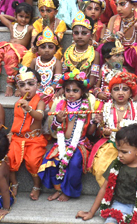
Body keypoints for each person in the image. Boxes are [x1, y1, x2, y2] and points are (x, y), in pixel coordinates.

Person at [77, 124, 137, 224]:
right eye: (118, 151)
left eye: (124, 152)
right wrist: (91, 212)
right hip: (120, 204)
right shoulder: (116, 164)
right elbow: (104, 189)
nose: (119, 155)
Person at [39, 70, 97, 202]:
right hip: (62, 142)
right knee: (52, 161)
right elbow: (53, 128)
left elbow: (90, 132)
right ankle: (58, 189)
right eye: (68, 90)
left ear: (82, 92)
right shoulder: (60, 105)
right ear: (63, 91)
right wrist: (58, 119)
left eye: (75, 91)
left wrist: (95, 122)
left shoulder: (85, 107)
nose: (71, 93)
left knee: (74, 163)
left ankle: (69, 191)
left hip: (79, 143)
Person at [88, 71, 137, 186]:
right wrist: (103, 130)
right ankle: (108, 191)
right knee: (102, 165)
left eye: (125, 89)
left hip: (132, 144)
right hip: (111, 143)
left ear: (131, 93)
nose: (120, 93)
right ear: (110, 92)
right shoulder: (106, 107)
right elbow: (100, 129)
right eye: (116, 89)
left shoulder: (135, 108)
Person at [103, 0, 137, 100]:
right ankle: (103, 87)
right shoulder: (113, 19)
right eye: (117, 5)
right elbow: (104, 41)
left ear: (134, 5)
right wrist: (114, 38)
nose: (118, 8)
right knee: (101, 49)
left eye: (122, 4)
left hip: (131, 54)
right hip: (116, 52)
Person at [7, 67, 47, 200]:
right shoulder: (18, 103)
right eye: (22, 85)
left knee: (33, 161)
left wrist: (29, 108)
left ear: (38, 85)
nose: (27, 88)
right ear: (18, 88)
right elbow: (16, 121)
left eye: (31, 84)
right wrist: (9, 134)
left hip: (34, 139)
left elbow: (39, 117)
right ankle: (14, 183)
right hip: (17, 138)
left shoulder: (40, 102)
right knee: (9, 158)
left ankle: (37, 186)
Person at [0, 2, 33, 96]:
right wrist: (15, 18)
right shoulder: (12, 25)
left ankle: (9, 84)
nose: (23, 19)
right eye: (21, 16)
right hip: (8, 46)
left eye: (27, 17)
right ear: (15, 15)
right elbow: (1, 16)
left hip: (19, 49)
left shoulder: (30, 28)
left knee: (10, 56)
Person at [22, 0, 67, 66]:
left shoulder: (60, 23)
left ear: (56, 12)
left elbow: (57, 42)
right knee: (29, 55)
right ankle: (27, 75)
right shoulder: (37, 23)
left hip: (54, 50)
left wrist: (47, 27)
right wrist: (34, 48)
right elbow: (33, 41)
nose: (45, 14)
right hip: (39, 49)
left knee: (54, 56)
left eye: (49, 11)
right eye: (42, 11)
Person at [63, 11, 100, 86]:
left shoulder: (95, 54)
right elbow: (64, 75)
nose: (79, 36)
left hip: (86, 88)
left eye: (84, 33)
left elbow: (92, 80)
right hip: (69, 89)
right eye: (76, 33)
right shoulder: (68, 52)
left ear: (91, 35)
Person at [29, 27, 62, 103]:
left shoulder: (57, 63)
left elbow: (57, 80)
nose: (47, 50)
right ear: (37, 49)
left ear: (56, 50)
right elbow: (30, 77)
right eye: (43, 47)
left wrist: (48, 91)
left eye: (50, 47)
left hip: (50, 91)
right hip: (36, 90)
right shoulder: (34, 61)